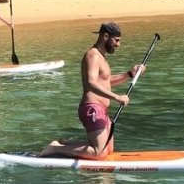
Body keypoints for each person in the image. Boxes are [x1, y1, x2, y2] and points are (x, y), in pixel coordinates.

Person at [40, 22, 146, 159]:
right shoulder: (93, 55)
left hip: (102, 110)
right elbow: (91, 83)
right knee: (99, 153)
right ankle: (54, 149)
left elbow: (105, 82)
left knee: (108, 149)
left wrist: (129, 74)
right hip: (92, 109)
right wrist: (117, 97)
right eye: (117, 40)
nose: (118, 45)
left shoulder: (101, 56)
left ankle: (64, 144)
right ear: (105, 36)